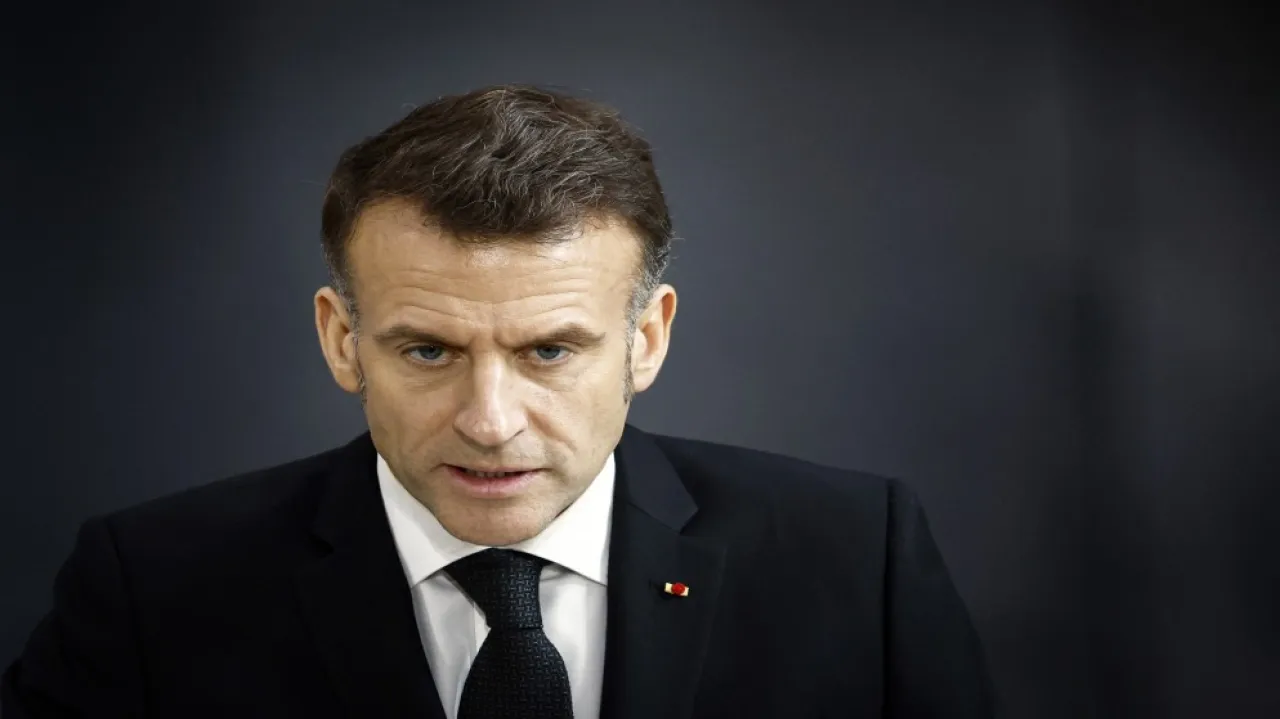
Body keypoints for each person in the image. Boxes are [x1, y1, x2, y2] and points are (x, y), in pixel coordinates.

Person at [2, 85, 997, 718]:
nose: (489, 420)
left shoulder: (857, 560)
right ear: (341, 339)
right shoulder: (149, 588)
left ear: (646, 338)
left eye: (549, 350)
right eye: (427, 349)